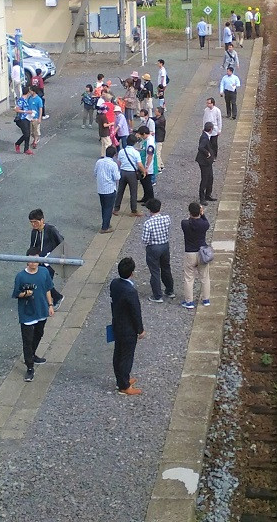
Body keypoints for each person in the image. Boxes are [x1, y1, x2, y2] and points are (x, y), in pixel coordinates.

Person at [12, 247, 55, 382]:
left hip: (41, 310)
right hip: (27, 312)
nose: (34, 263)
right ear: (27, 261)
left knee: (39, 333)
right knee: (27, 340)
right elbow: (16, 294)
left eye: (36, 259)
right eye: (31, 260)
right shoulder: (21, 276)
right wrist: (25, 294)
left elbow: (48, 289)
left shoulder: (44, 272)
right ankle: (29, 366)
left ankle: (32, 355)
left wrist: (50, 305)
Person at [110, 257, 144, 395]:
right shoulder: (130, 291)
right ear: (132, 273)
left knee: (118, 353)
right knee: (126, 357)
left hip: (117, 324)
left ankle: (121, 379)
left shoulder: (114, 284)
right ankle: (124, 386)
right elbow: (136, 312)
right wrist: (140, 329)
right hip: (128, 329)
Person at [28, 209, 66, 309]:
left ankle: (56, 298)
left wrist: (60, 259)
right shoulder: (34, 232)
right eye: (31, 222)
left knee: (44, 281)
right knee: (42, 281)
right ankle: (54, 298)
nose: (33, 224)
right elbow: (32, 247)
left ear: (42, 220)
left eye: (35, 222)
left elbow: (61, 242)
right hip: (39, 262)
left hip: (50, 261)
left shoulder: (51, 229)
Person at [141, 199, 173, 302]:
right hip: (164, 245)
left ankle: (157, 296)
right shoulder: (167, 218)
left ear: (149, 210)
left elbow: (145, 239)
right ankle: (170, 290)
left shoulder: (148, 224)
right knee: (166, 268)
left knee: (155, 271)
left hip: (153, 247)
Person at [181, 201, 211, 309]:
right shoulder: (204, 225)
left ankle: (189, 302)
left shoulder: (184, 224)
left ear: (189, 212)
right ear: (200, 211)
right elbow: (206, 222)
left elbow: (189, 220)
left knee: (189, 278)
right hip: (202, 253)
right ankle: (206, 299)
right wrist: (202, 214)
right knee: (205, 277)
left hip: (190, 253)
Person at [113, 134, 146, 217]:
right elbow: (139, 165)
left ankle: (116, 209)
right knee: (133, 192)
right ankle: (133, 210)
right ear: (134, 143)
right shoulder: (135, 153)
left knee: (120, 190)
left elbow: (119, 163)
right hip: (132, 173)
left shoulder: (121, 151)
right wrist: (144, 171)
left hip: (123, 172)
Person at [95, 146, 120, 233]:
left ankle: (106, 222)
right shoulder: (113, 164)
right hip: (110, 189)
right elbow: (117, 177)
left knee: (104, 207)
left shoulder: (99, 162)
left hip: (100, 188)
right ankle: (105, 227)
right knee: (109, 208)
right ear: (114, 155)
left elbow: (95, 173)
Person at [136, 126, 157, 206]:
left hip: (148, 166)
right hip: (144, 164)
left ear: (144, 134)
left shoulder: (150, 142)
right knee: (144, 182)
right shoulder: (147, 140)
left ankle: (150, 200)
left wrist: (147, 167)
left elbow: (150, 155)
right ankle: (145, 197)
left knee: (147, 184)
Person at [196, 122, 216, 205]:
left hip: (207, 162)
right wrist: (207, 153)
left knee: (210, 177)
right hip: (204, 162)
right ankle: (202, 198)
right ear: (211, 129)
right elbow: (200, 147)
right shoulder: (204, 138)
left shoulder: (205, 135)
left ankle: (208, 194)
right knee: (204, 179)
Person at [13, 86, 35, 155]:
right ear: (28, 92)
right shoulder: (21, 100)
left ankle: (26, 148)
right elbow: (17, 109)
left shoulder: (26, 99)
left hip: (27, 118)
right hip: (22, 119)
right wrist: (26, 112)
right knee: (26, 134)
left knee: (27, 133)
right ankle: (19, 144)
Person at [28, 85, 44, 149]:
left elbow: (40, 109)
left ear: (33, 91)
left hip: (36, 118)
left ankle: (35, 141)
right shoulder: (30, 98)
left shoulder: (38, 99)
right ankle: (35, 139)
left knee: (36, 130)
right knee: (31, 131)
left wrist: (40, 118)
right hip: (30, 117)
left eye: (30, 91)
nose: (29, 92)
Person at [153, 106, 167, 171]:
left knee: (157, 153)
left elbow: (155, 123)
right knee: (157, 151)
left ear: (159, 113)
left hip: (159, 137)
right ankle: (161, 165)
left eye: (156, 111)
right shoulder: (158, 118)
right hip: (158, 137)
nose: (154, 111)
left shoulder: (161, 120)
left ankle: (158, 167)